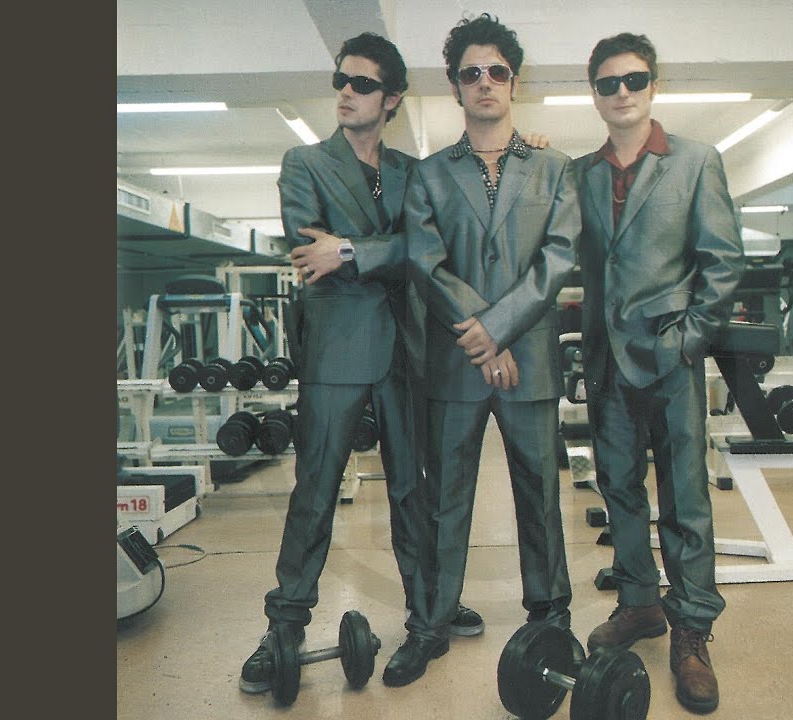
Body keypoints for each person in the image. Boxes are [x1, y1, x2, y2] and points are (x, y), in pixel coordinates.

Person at [237, 32, 483, 694]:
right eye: (340, 80)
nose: (346, 92)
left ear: (392, 98)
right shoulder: (304, 163)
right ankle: (283, 627)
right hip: (335, 352)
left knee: (412, 491)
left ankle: (430, 610)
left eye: (363, 84)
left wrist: (349, 250)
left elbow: (426, 251)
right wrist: (386, 251)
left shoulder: (415, 172)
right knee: (315, 491)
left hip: (406, 352)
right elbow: (309, 249)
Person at [397, 12, 581, 687]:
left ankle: (551, 619)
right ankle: (430, 622)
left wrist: (496, 329)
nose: (484, 82)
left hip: (527, 359)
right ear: (454, 86)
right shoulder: (429, 176)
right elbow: (426, 262)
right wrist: (481, 335)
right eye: (470, 73)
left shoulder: (555, 170)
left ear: (514, 81)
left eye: (496, 71)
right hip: (457, 363)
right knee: (444, 499)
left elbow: (557, 259)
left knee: (541, 495)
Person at [571, 33, 744, 714]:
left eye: (634, 80)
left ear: (653, 86)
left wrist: (688, 341)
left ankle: (692, 630)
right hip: (607, 359)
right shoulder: (580, 174)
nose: (622, 93)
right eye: (608, 83)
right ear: (595, 95)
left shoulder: (696, 161)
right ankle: (641, 603)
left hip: (671, 357)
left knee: (685, 496)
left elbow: (723, 263)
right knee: (617, 487)